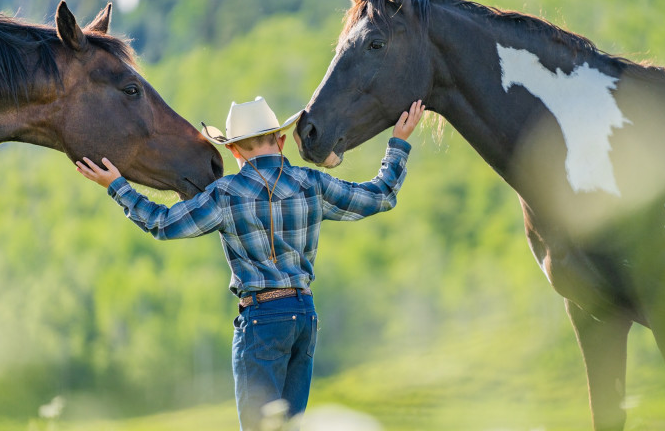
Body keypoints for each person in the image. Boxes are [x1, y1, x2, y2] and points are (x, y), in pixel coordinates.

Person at [76, 96, 425, 431]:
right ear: (282, 140)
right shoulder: (312, 184)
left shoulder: (227, 193)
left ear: (233, 150)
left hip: (262, 320)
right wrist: (399, 142)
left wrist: (117, 186)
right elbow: (381, 195)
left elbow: (162, 224)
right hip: (304, 315)